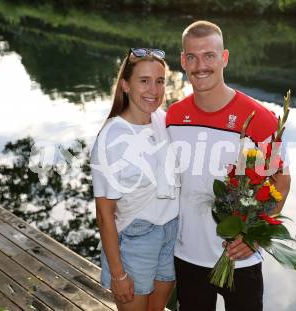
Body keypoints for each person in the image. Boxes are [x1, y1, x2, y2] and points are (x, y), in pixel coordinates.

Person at [166, 21, 291, 311]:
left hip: (240, 258)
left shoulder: (260, 119)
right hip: (187, 256)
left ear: (224, 58)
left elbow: (281, 182)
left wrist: (253, 236)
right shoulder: (173, 116)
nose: (200, 66)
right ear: (183, 61)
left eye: (209, 55)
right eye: (192, 57)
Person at [90, 48, 179, 311]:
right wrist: (118, 274)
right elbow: (105, 215)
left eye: (160, 81)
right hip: (135, 238)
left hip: (170, 231)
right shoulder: (112, 137)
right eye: (144, 81)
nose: (154, 89)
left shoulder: (164, 121)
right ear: (125, 85)